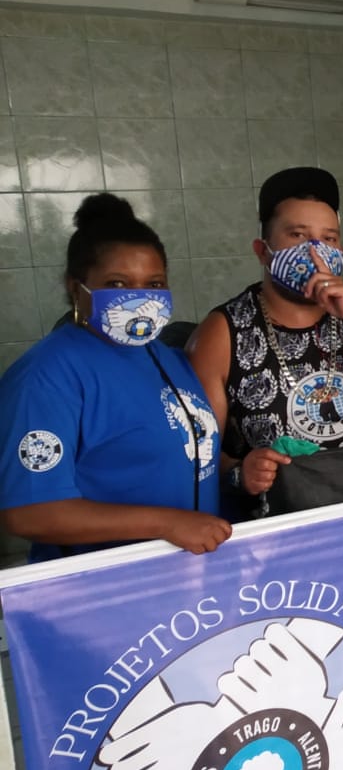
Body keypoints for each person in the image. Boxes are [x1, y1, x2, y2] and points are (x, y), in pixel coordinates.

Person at [0, 194, 229, 559]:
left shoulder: (163, 356)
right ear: (76, 288)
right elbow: (27, 511)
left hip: (185, 574)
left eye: (153, 284)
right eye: (118, 284)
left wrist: (239, 472)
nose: (140, 298)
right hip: (103, 586)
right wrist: (167, 523)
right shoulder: (46, 377)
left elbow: (179, 453)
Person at [186, 167, 343, 503]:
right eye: (298, 236)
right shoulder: (223, 330)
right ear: (262, 250)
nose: (315, 250)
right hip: (282, 527)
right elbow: (198, 452)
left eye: (329, 238)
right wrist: (241, 472)